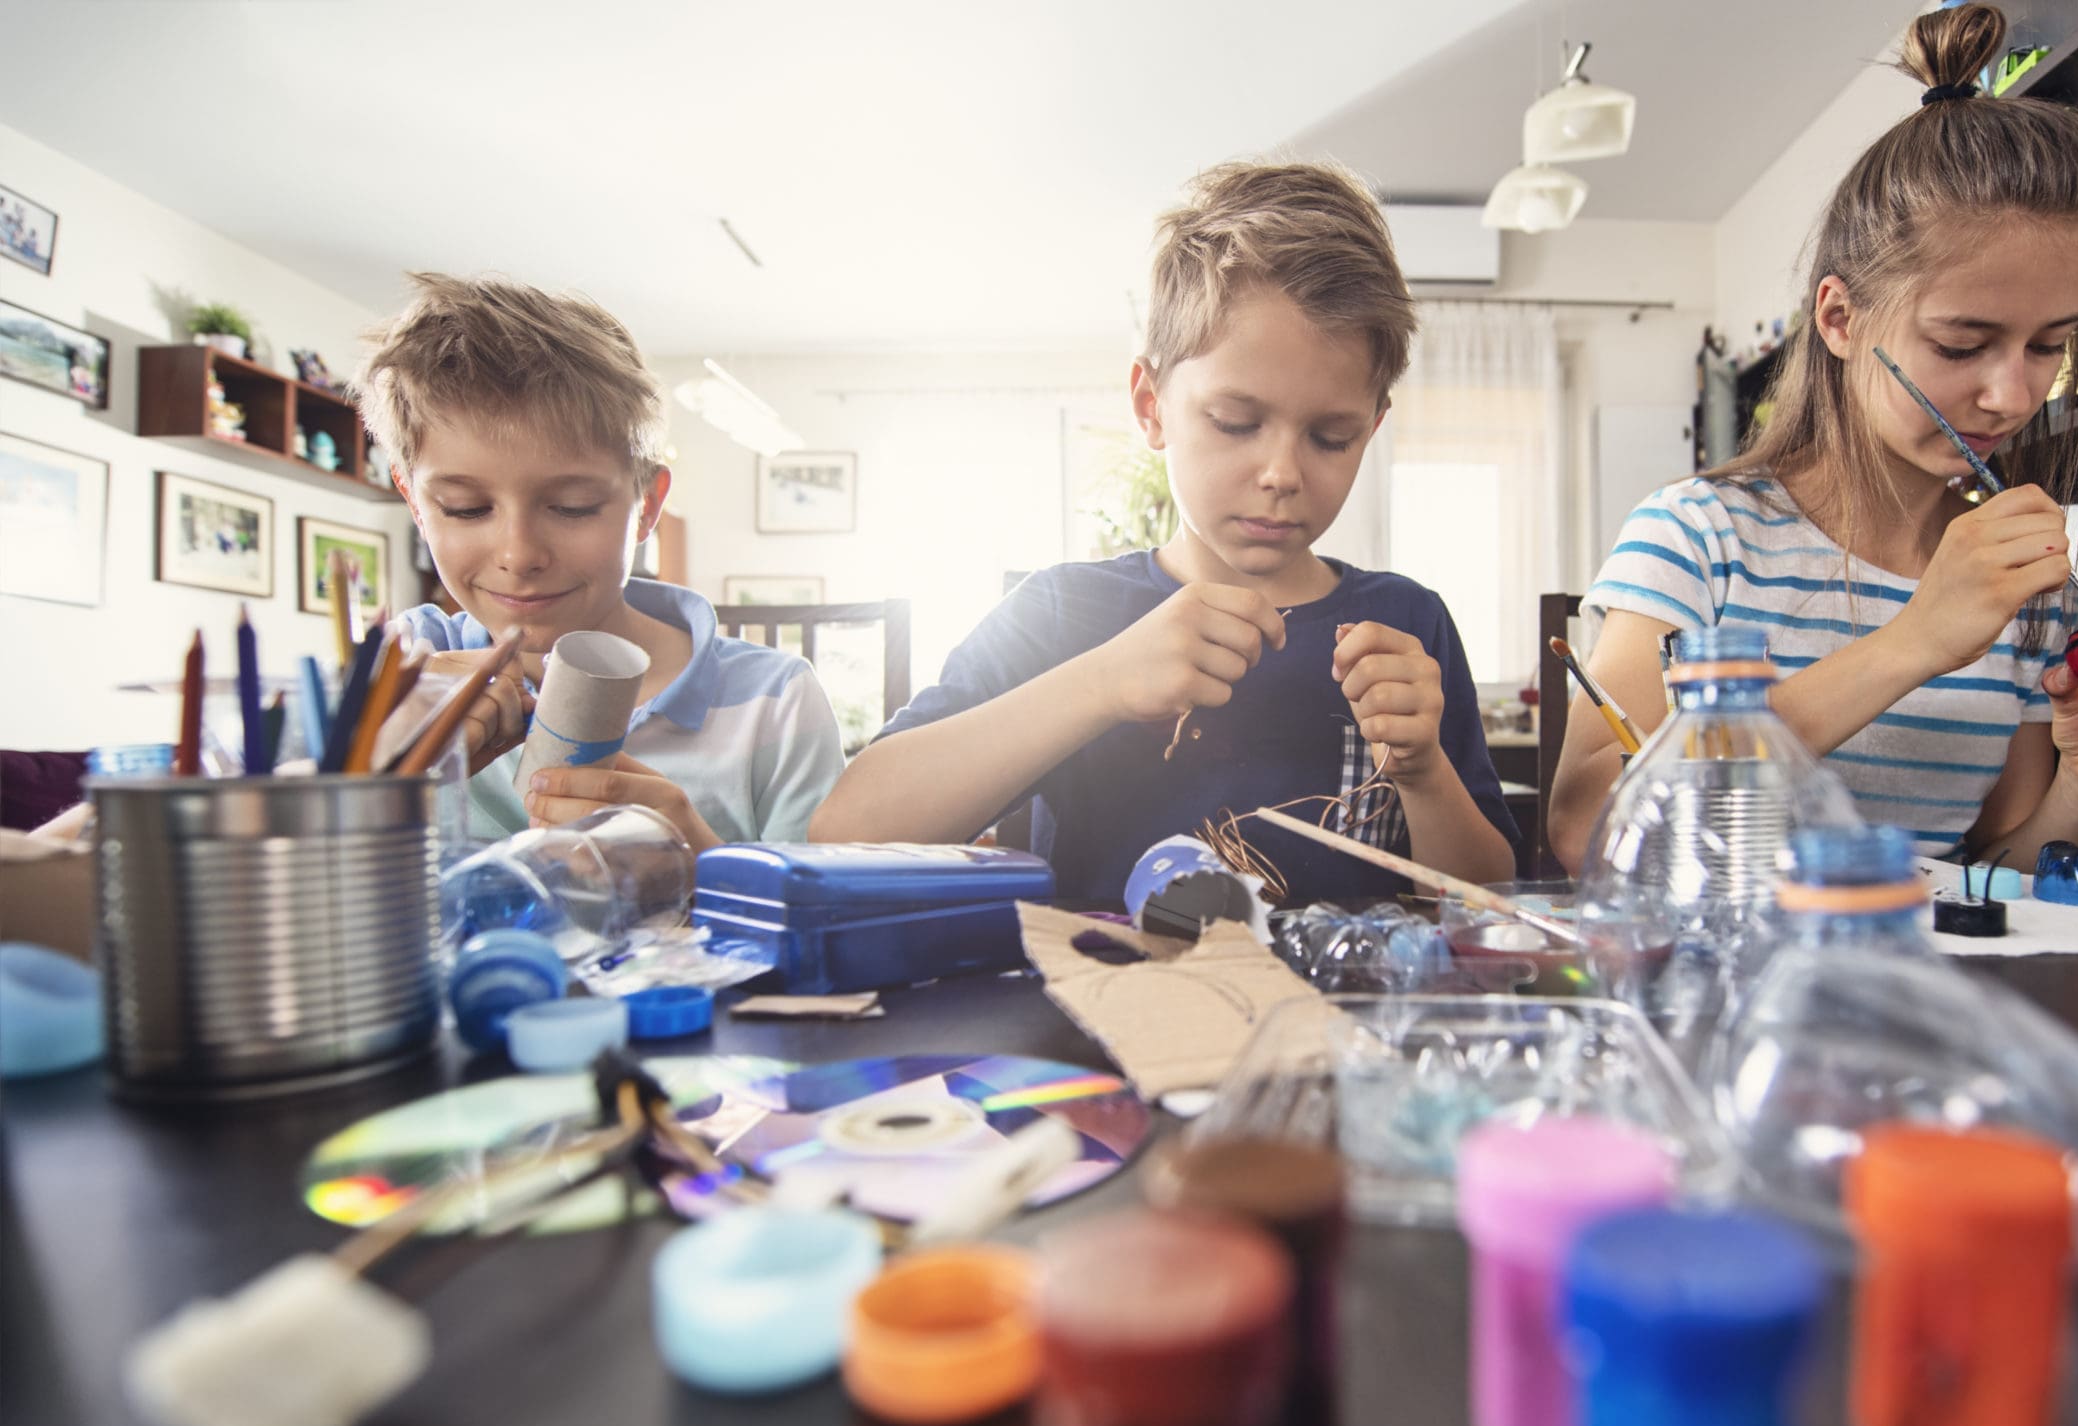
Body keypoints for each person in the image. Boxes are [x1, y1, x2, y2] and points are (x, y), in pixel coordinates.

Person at [1548, 3, 2078, 873]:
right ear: (1840, 319)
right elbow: (1584, 836)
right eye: (1961, 345)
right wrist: (1911, 644)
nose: (2011, 393)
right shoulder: (1698, 537)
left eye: (2049, 344)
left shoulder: (2021, 589)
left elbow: (1989, 873)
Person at [809, 161, 1516, 908]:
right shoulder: (1062, 614)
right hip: (1112, 1018)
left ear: (1371, 431)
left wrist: (1423, 772)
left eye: (1330, 437)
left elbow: (1489, 900)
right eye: (1236, 423)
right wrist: (1101, 683)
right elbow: (846, 831)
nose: (1281, 472)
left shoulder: (1408, 621)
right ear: (1152, 408)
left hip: (1342, 1020)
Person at [361, 273, 844, 848]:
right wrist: (375, 780)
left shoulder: (775, 704)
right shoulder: (400, 672)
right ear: (415, 504)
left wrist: (701, 865)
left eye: (573, 507)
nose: (519, 555)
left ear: (648, 506)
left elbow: (821, 929)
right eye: (466, 509)